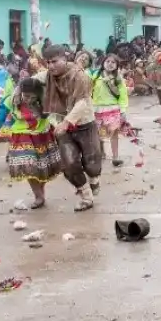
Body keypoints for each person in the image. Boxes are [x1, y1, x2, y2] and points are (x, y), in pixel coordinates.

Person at [40, 44, 101, 212]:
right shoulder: (48, 76)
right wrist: (19, 91)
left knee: (92, 164)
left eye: (54, 61)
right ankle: (86, 196)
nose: (51, 66)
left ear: (64, 59)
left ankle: (94, 180)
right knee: (69, 163)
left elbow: (82, 102)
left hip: (84, 123)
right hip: (61, 126)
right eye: (48, 62)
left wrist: (67, 122)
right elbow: (32, 81)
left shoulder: (80, 76)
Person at [0, 76, 63, 209]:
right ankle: (38, 196)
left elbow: (56, 114)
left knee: (42, 167)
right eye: (26, 96)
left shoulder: (45, 99)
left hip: (42, 135)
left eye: (32, 97)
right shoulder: (11, 100)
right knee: (29, 166)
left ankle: (40, 191)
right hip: (21, 135)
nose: (28, 100)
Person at [91, 54, 129, 167]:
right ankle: (101, 152)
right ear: (103, 63)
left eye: (113, 62)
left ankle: (115, 157)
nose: (110, 64)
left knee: (114, 133)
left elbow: (123, 95)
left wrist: (123, 111)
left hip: (113, 109)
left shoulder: (118, 79)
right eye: (108, 61)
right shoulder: (96, 76)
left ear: (117, 65)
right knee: (97, 134)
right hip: (97, 109)